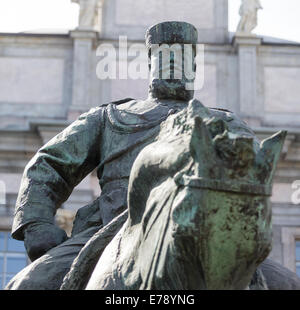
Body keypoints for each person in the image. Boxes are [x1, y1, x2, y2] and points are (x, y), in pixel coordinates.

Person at [6, 21, 300, 290]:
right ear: (150, 64)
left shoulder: (225, 123)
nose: (173, 63)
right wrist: (38, 223)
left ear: (194, 67)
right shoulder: (110, 117)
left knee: (286, 284)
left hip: (208, 234)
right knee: (29, 284)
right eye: (165, 55)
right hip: (114, 228)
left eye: (182, 57)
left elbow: (250, 178)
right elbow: (49, 164)